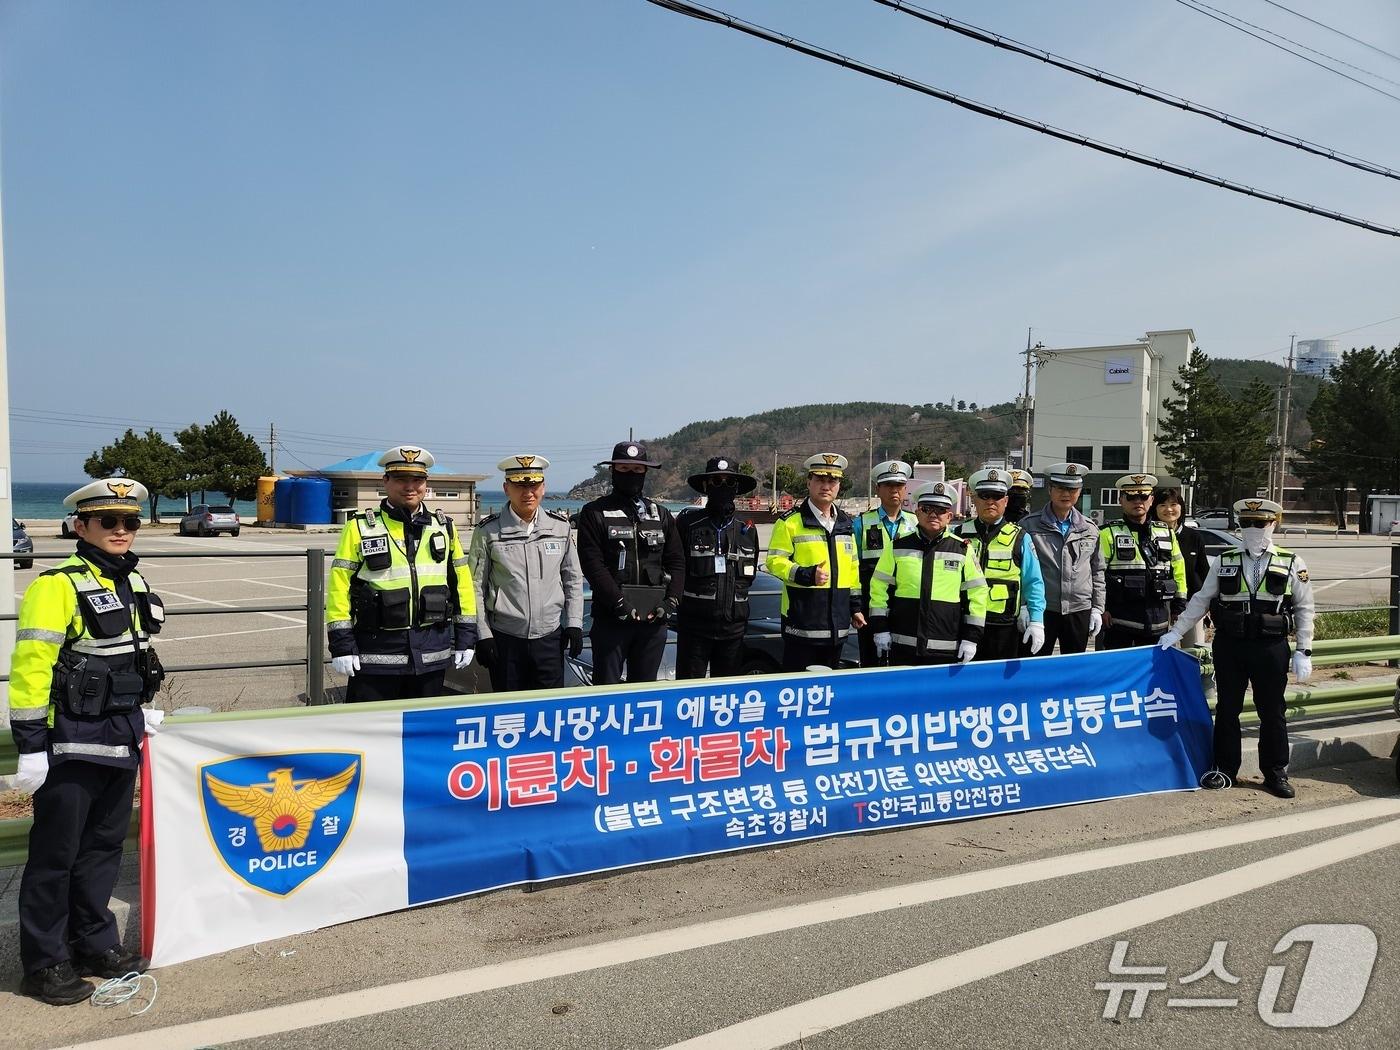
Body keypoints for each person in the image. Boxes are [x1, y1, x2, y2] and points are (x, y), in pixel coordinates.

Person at [10, 479, 165, 1005]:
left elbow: (133, 658)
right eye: (108, 522)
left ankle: (94, 943)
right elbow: (32, 668)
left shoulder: (134, 581)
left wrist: (143, 710)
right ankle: (45, 963)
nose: (121, 530)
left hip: (121, 736)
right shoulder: (56, 585)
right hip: (70, 741)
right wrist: (30, 743)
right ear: (81, 526)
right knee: (55, 855)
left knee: (101, 850)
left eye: (130, 522)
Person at [1158, 498, 1315, 798]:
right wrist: (1176, 632)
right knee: (1228, 709)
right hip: (1231, 645)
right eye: (1247, 524)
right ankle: (1225, 769)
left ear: (1274, 524)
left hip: (1271, 646)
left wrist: (1303, 651)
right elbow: (1201, 600)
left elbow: (1305, 608)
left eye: (1260, 523)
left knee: (1272, 710)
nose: (1254, 529)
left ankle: (1275, 772)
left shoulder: (1291, 561)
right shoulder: (1225, 560)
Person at [326, 445, 477, 701]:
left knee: (423, 734)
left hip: (431, 656)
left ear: (426, 484)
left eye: (417, 480)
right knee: (368, 733)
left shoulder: (444, 528)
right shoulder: (360, 526)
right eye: (400, 479)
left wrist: (466, 638)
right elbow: (339, 587)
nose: (410, 486)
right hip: (375, 657)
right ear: (385, 481)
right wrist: (341, 645)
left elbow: (462, 585)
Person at [468, 454, 583, 692]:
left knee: (549, 713)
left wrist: (574, 624)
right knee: (509, 713)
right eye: (520, 485)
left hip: (550, 638)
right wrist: (483, 634)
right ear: (506, 488)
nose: (528, 492)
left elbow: (572, 579)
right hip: (506, 639)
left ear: (543, 488)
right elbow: (475, 587)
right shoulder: (489, 531)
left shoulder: (559, 528)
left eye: (534, 485)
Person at [576, 441, 685, 684]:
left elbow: (676, 562)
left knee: (644, 694)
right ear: (613, 471)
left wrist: (671, 602)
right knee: (607, 692)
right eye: (624, 469)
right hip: (611, 620)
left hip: (653, 622)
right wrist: (618, 603)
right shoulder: (594, 513)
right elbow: (592, 564)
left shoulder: (661, 514)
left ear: (646, 473)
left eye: (637, 470)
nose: (631, 475)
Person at [868, 481, 988, 666]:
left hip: (946, 646)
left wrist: (971, 637)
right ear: (917, 513)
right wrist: (880, 628)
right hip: (902, 644)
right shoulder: (897, 546)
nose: (933, 514)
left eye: (940, 510)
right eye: (927, 508)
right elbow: (879, 588)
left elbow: (977, 593)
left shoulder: (962, 549)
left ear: (949, 516)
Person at [765, 453, 863, 671]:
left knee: (828, 693)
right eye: (820, 480)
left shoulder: (846, 523)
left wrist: (855, 607)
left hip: (837, 628)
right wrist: (805, 574)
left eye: (832, 481)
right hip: (802, 626)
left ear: (839, 486)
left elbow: (853, 569)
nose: (826, 486)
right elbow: (774, 561)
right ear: (808, 482)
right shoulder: (790, 522)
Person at [673, 457, 761, 679]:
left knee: (726, 696)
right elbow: (674, 568)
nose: (722, 486)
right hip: (694, 630)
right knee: (688, 696)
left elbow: (749, 578)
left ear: (737, 488)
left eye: (729, 482)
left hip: (733, 631)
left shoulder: (747, 530)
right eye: (716, 481)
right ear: (705, 486)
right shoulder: (687, 524)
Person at [955, 467, 1045, 660]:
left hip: (1003, 628)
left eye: (996, 496)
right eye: (984, 495)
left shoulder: (1021, 537)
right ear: (974, 499)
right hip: (962, 623)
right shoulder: (957, 535)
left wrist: (1037, 620)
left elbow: (1034, 582)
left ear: (1006, 500)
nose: (990, 501)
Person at [1020, 462, 1105, 655]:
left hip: (1078, 610)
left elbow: (1097, 571)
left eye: (1072, 488)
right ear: (1050, 489)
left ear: (1080, 491)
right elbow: (1020, 571)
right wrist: (1024, 606)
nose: (1066, 494)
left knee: (1073, 672)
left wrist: (1097, 608)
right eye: (1060, 488)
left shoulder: (1089, 528)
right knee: (1035, 667)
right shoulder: (1029, 526)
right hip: (1042, 609)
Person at [1097, 473, 1187, 649]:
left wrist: (1179, 606)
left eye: (1143, 496)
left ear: (1151, 500)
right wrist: (1102, 608)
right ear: (1120, 500)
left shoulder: (1166, 533)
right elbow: (1097, 575)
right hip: (1119, 622)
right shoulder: (1107, 533)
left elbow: (1179, 571)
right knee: (1119, 672)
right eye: (1131, 497)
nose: (1138, 501)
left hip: (1158, 622)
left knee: (1153, 673)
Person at [851, 460, 918, 667]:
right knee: (870, 662)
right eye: (888, 486)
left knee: (903, 660)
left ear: (906, 489)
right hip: (872, 606)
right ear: (877, 489)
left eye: (899, 486)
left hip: (905, 605)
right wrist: (854, 606)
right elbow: (853, 568)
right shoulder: (861, 523)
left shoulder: (916, 523)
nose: (894, 491)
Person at [1151, 484, 1210, 647]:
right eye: (1162, 505)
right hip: (1160, 604)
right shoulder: (1148, 536)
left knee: (1193, 650)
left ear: (1181, 508)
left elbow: (1204, 572)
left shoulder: (1194, 537)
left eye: (1173, 504)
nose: (1168, 509)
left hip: (1192, 604)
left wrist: (1209, 604)